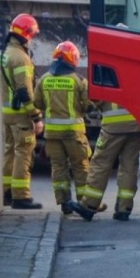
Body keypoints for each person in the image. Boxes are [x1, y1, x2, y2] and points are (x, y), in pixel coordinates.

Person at [32, 41, 92, 215]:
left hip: (52, 134)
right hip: (74, 133)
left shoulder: (44, 79)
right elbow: (88, 105)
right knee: (80, 166)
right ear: (72, 58)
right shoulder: (79, 80)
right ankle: (84, 203)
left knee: (58, 167)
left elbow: (37, 103)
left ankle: (65, 203)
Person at [67, 102, 140, 221]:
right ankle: (124, 209)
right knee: (129, 166)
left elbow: (97, 98)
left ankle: (89, 206)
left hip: (113, 126)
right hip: (137, 125)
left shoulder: (111, 81)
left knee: (100, 164)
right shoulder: (138, 81)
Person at [0, 14, 44, 209]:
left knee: (9, 152)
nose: (32, 38)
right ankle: (20, 196)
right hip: (20, 116)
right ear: (26, 33)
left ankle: (6, 193)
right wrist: (36, 117)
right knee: (23, 152)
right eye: (31, 34)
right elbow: (25, 92)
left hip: (6, 114)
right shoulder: (21, 58)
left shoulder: (5, 52)